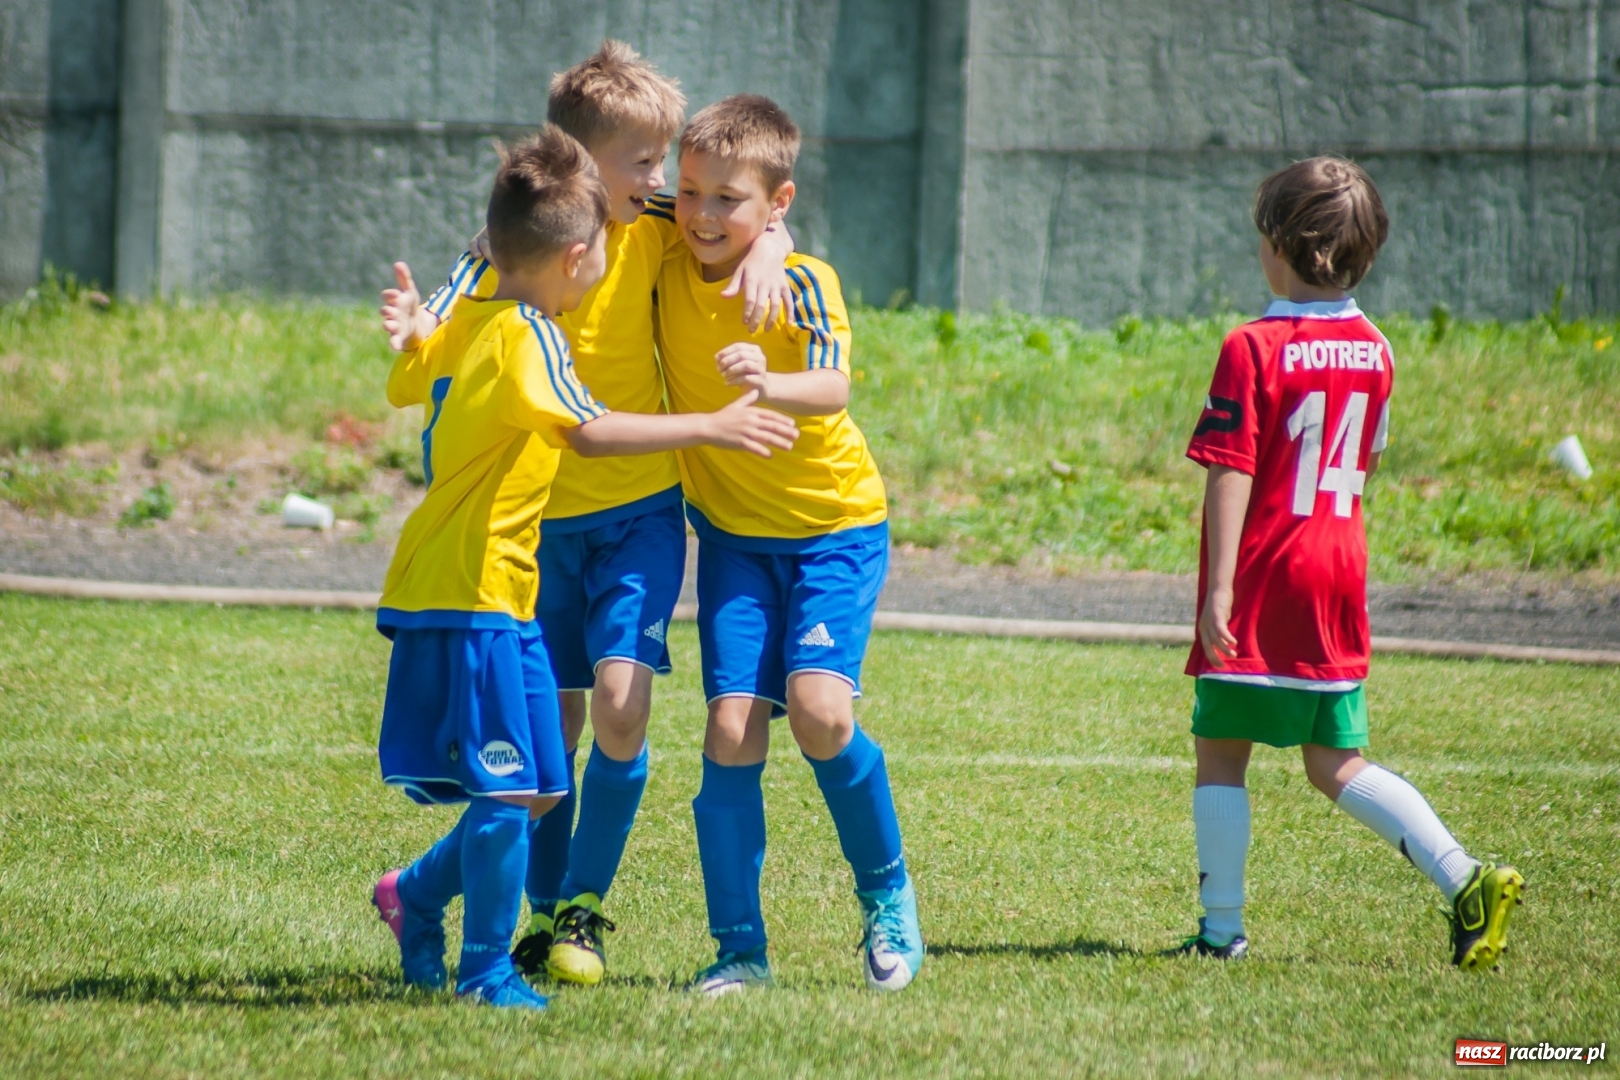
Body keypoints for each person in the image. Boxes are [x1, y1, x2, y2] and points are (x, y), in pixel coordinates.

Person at [392, 41, 797, 988]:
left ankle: (582, 909)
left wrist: (774, 241)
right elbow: (443, 317)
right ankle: (530, 911)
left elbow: (746, 209)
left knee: (623, 705)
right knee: (553, 734)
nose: (664, 184)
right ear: (578, 163)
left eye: (664, 164)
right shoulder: (515, 248)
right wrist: (418, 331)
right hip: (534, 530)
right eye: (645, 164)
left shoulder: (657, 221)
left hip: (642, 512)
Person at [1177, 155, 1523, 970]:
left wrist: (1220, 586)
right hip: (1339, 571)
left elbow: (1232, 469)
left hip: (1269, 571)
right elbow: (1363, 463)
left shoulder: (1251, 345)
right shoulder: (1377, 348)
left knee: (1221, 750)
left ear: (1277, 245)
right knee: (1336, 763)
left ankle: (1221, 931)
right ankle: (1464, 876)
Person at [654, 94, 923, 996]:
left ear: (779, 201)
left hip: (832, 530)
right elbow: (604, 200)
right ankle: (739, 951)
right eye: (690, 192)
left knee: (820, 714)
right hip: (732, 537)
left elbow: (835, 385)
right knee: (730, 727)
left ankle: (888, 899)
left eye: (728, 199)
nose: (700, 214)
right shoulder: (667, 236)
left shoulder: (800, 277)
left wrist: (771, 378)